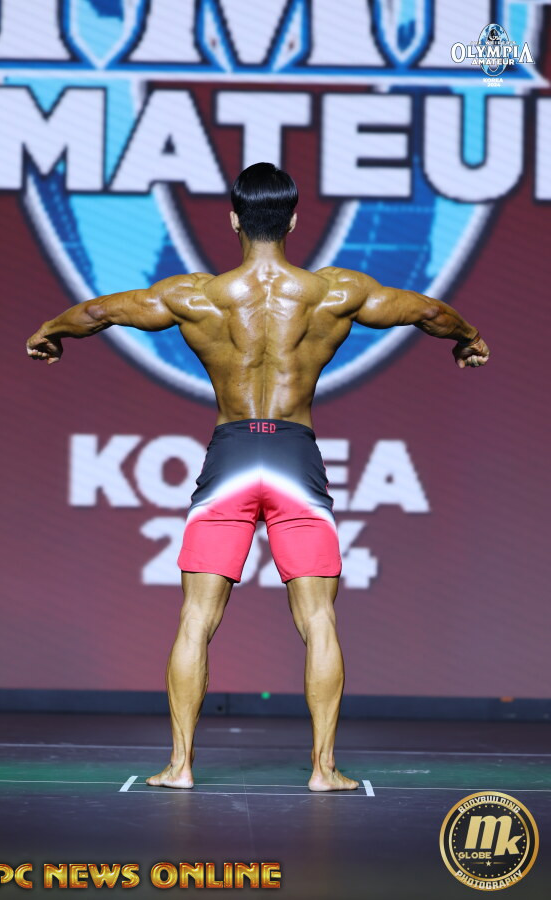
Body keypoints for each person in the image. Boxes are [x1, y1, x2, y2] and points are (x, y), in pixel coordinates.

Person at [26, 162, 489, 792]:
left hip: (232, 459)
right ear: (293, 221)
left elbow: (102, 311)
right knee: (319, 620)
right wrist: (467, 338)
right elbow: (428, 311)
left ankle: (180, 766)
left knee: (196, 618)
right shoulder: (333, 292)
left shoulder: (197, 297)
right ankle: (324, 770)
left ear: (234, 220)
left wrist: (51, 332)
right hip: (295, 458)